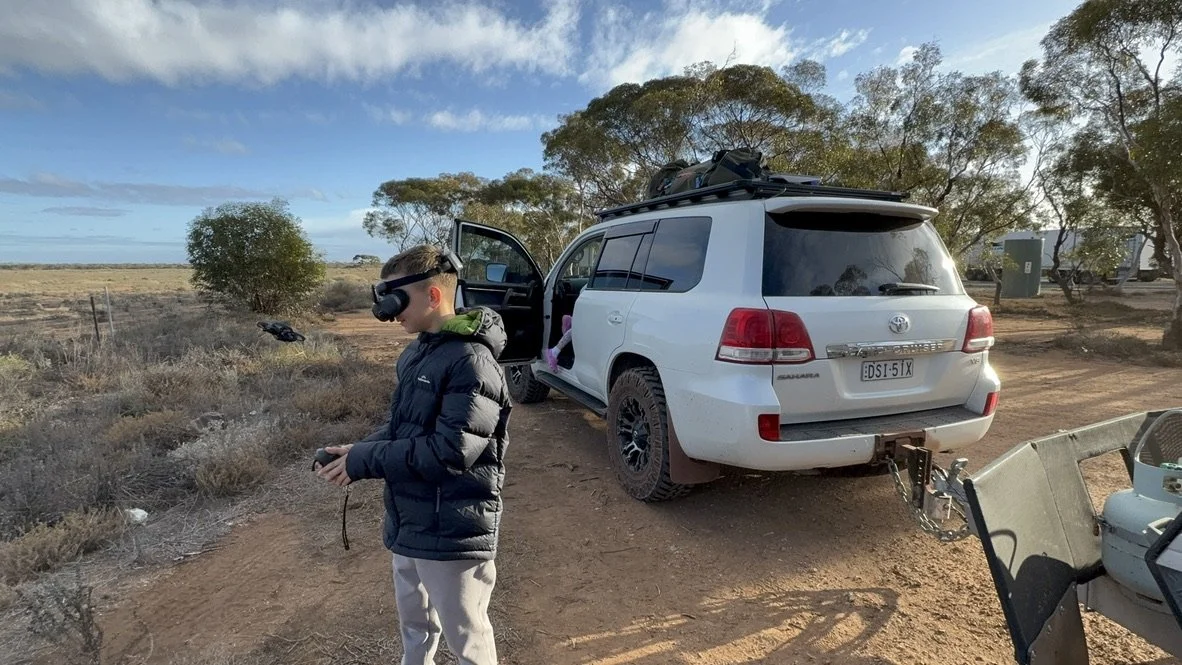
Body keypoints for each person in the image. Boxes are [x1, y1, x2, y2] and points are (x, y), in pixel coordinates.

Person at [315, 244, 512, 665]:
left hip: (453, 530)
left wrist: (365, 462)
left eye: (395, 299)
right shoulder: (419, 351)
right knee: (415, 626)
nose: (389, 312)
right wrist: (360, 449)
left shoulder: (471, 362)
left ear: (434, 296)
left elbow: (451, 451)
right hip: (410, 520)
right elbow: (407, 427)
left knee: (468, 639)